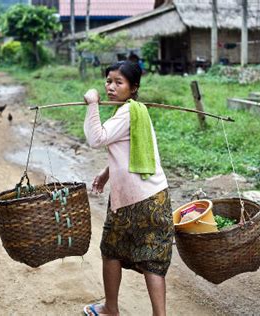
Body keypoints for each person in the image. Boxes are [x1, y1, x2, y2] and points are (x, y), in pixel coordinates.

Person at [83, 61, 173, 316]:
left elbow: (97, 138)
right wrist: (105, 172)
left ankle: (111, 309)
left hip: (132, 202)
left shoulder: (126, 113)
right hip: (156, 197)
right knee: (152, 260)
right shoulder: (138, 112)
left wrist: (92, 104)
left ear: (133, 88)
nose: (110, 87)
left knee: (111, 251)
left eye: (118, 82)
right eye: (108, 81)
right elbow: (132, 151)